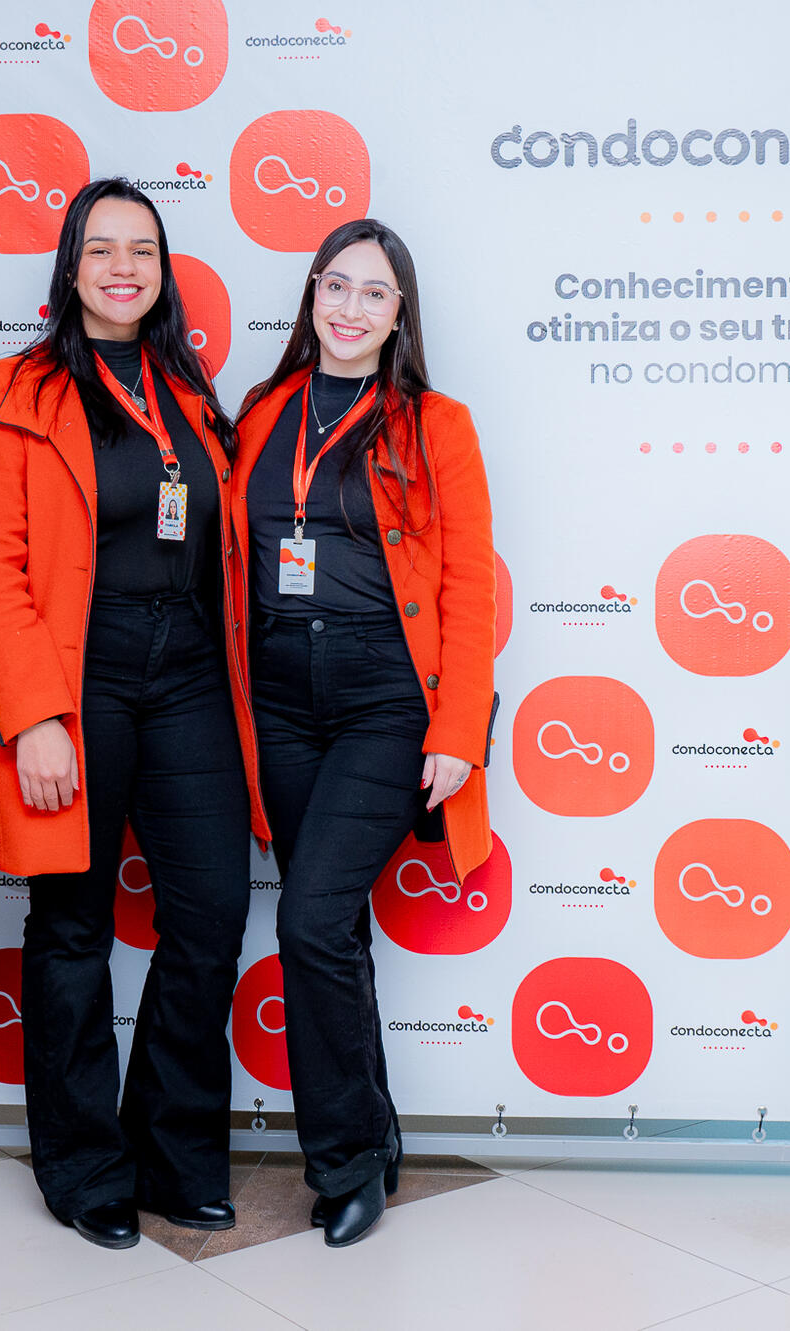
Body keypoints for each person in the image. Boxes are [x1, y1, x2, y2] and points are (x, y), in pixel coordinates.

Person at [0, 179, 257, 1251]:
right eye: (101, 248)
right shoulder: (10, 388)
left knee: (210, 915)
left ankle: (174, 1154)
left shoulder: (190, 392)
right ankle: (84, 1165)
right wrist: (33, 715)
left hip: (190, 678)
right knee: (73, 925)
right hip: (76, 677)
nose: (123, 267)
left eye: (143, 249)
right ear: (70, 268)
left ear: (162, 272)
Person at [229, 219, 495, 1247]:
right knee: (333, 928)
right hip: (279, 697)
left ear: (398, 315)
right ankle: (373, 1134)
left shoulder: (436, 423)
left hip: (385, 694)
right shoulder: (263, 411)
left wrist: (457, 727)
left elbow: (468, 585)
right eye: (334, 286)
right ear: (311, 296)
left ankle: (341, 1165)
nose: (348, 308)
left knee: (306, 921)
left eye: (373, 293)